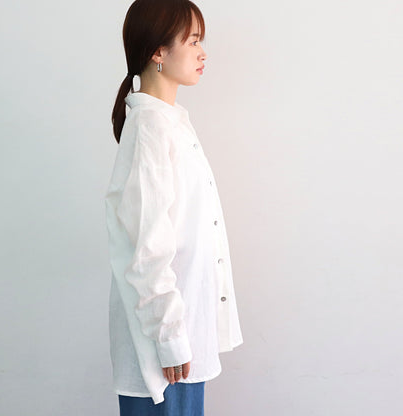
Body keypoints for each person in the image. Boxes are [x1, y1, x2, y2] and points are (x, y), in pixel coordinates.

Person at [105, 0, 243, 414]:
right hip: (165, 347)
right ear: (158, 51)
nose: (203, 53)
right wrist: (168, 337)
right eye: (193, 41)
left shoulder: (170, 121)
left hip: (183, 335)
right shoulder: (150, 127)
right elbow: (146, 248)